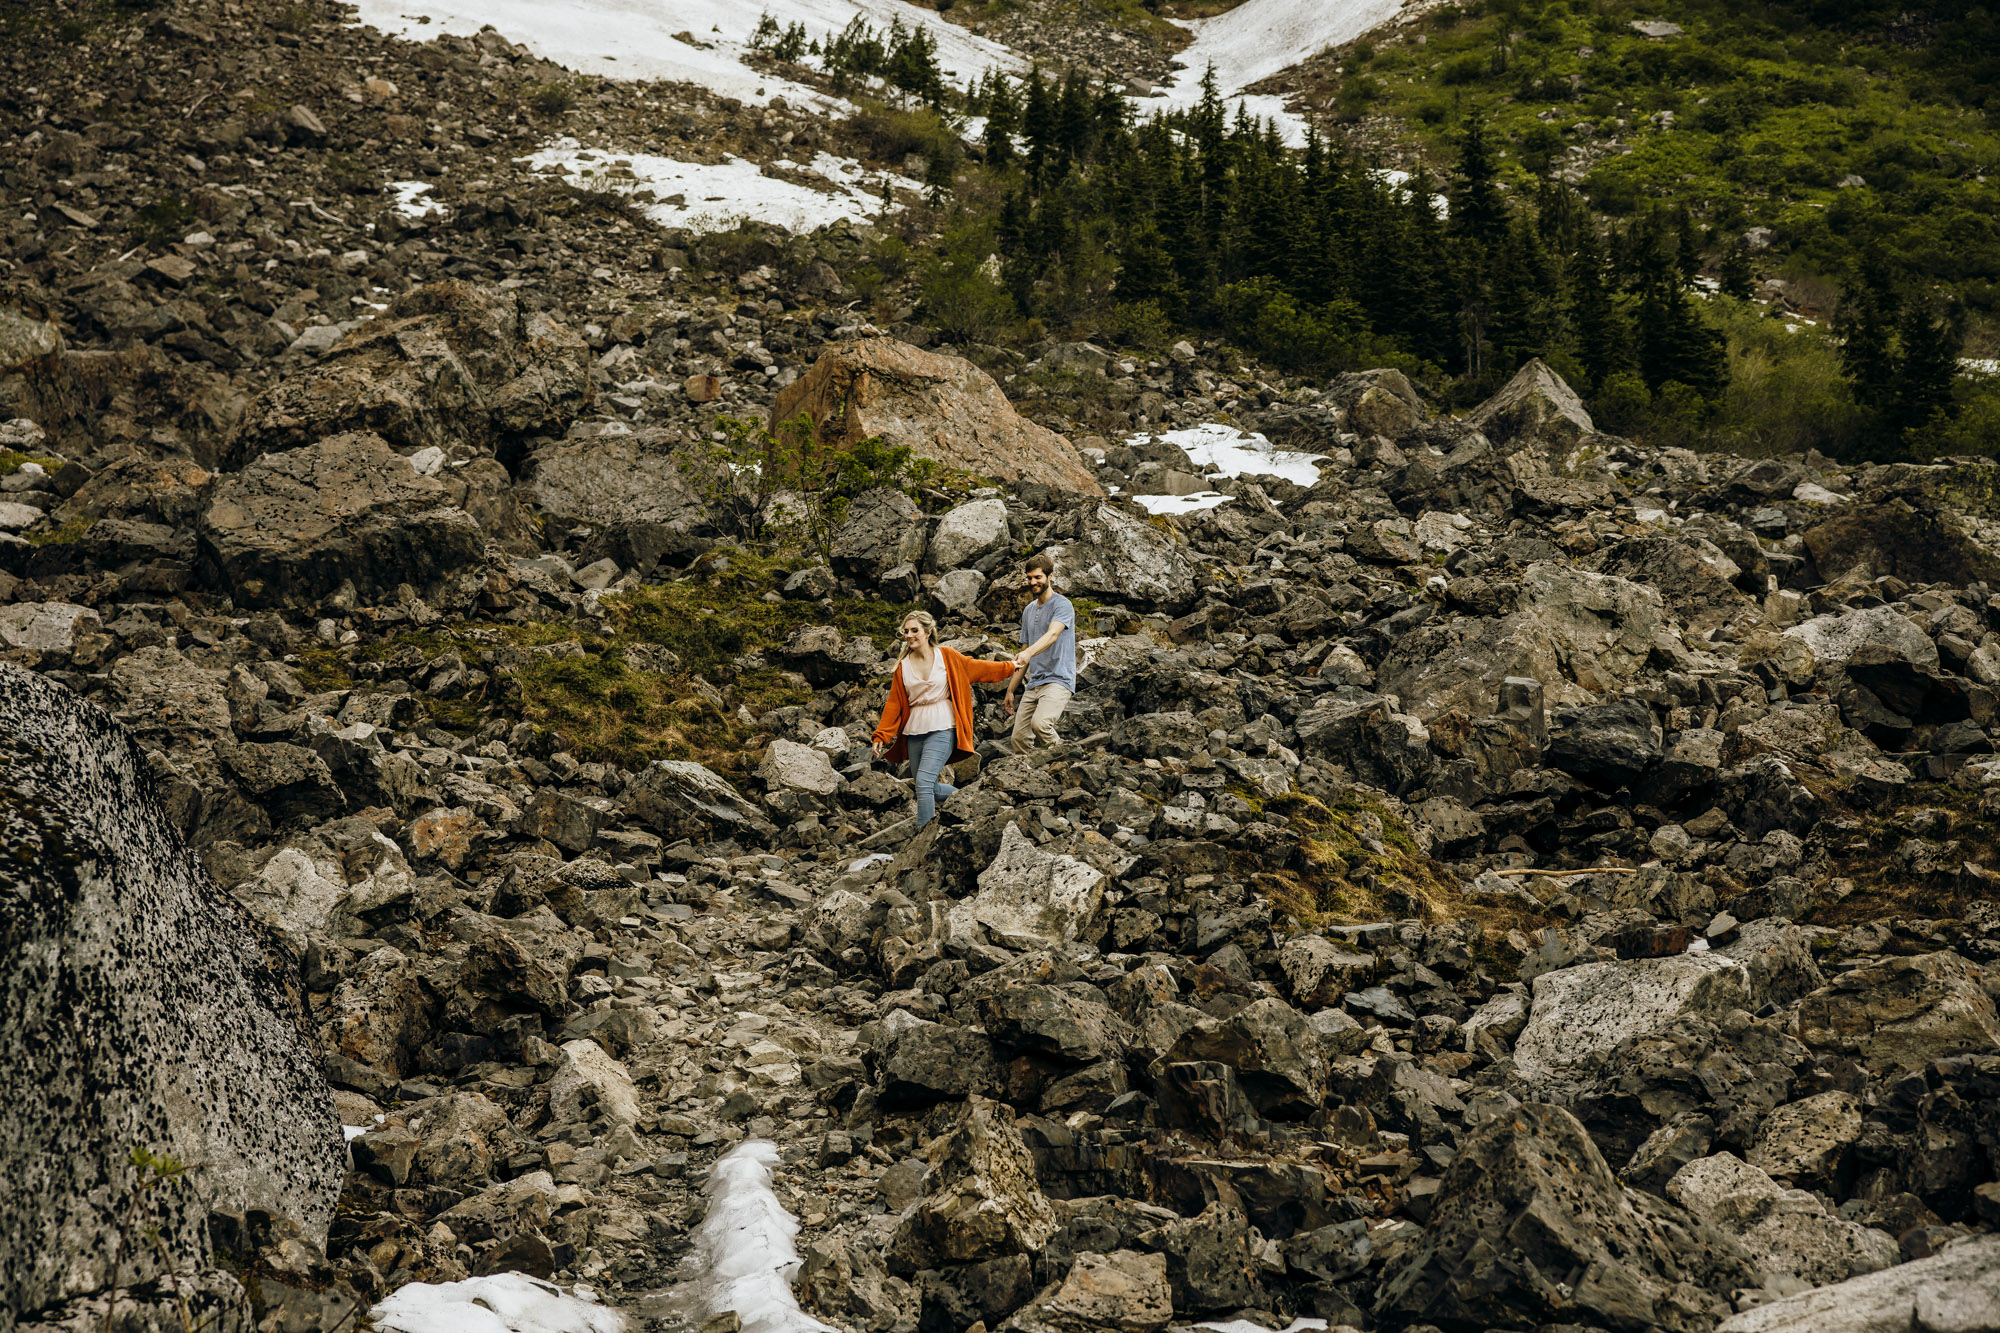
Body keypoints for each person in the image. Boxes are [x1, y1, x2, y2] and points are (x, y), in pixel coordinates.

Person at [871, 610, 1017, 830]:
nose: (909, 635)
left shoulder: (947, 656)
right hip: (915, 731)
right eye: (906, 631)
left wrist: (1011, 666)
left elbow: (979, 668)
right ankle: (969, 802)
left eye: (914, 630)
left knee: (923, 783)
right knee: (929, 787)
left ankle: (924, 836)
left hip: (943, 726)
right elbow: (894, 704)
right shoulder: (903, 667)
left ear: (928, 632)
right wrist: (881, 735)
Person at [1004, 552, 1076, 753]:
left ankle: (1064, 761)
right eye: (1029, 578)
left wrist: (1028, 653)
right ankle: (1032, 776)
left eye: (1038, 577)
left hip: (1058, 680)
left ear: (1050, 576)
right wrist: (1011, 690)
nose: (1033, 582)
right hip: (1034, 683)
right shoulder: (1028, 610)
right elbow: (1024, 653)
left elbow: (1053, 634)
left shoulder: (1062, 605)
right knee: (1018, 738)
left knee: (1041, 725)